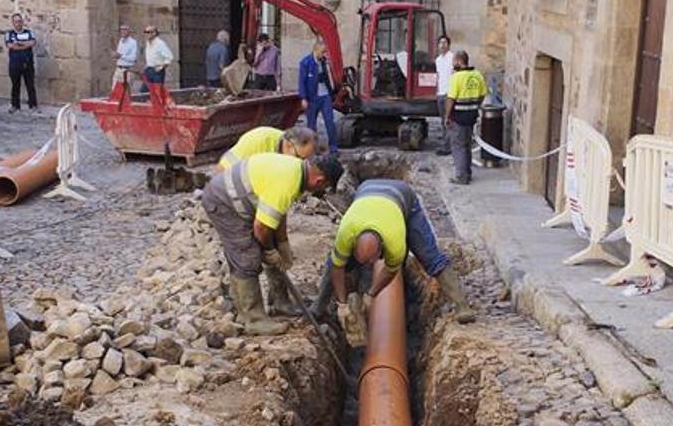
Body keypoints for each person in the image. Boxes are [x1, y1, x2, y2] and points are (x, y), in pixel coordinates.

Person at [202, 153, 344, 334]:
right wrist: (269, 250)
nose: (320, 192)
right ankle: (253, 320)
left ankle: (280, 303)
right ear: (320, 181)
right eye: (324, 188)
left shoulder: (298, 172)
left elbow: (278, 213)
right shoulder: (288, 181)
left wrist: (282, 242)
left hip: (238, 198)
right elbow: (261, 227)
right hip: (223, 202)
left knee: (268, 246)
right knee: (247, 256)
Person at [313, 179, 475, 332]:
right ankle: (318, 309)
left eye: (372, 261)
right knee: (333, 261)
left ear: (380, 250)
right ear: (353, 244)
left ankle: (462, 306)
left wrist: (371, 294)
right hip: (366, 193)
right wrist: (342, 304)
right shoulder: (346, 232)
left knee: (430, 257)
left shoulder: (394, 239)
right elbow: (337, 266)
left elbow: (390, 270)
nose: (369, 265)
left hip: (403, 197)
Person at [444, 50, 487, 185]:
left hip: (458, 117)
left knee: (458, 146)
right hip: (471, 115)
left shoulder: (457, 77)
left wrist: (447, 116)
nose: (453, 64)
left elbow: (451, 99)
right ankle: (467, 172)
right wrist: (475, 105)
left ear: (459, 61)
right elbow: (482, 94)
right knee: (467, 145)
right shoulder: (477, 75)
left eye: (453, 61)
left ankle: (461, 176)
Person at [298, 38, 338, 154]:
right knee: (311, 124)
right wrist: (303, 98)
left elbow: (328, 77)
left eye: (325, 52)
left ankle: (333, 147)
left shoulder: (324, 62)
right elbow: (302, 81)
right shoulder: (305, 63)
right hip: (312, 97)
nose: (324, 54)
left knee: (330, 121)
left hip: (325, 96)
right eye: (323, 52)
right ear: (316, 50)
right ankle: (312, 148)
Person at [217, 126, 318, 171]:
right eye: (299, 157)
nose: (300, 162)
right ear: (288, 145)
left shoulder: (286, 146)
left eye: (304, 160)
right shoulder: (260, 141)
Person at [5, 13, 37, 113]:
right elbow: (10, 45)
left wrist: (19, 43)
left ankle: (33, 105)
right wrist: (25, 45)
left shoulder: (29, 32)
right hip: (14, 64)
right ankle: (15, 105)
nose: (18, 23)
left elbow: (32, 43)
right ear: (13, 23)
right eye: (16, 21)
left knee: (30, 85)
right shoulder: (9, 34)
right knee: (15, 85)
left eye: (19, 21)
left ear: (22, 22)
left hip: (28, 63)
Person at [434, 35, 454, 156]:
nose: (442, 45)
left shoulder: (452, 57)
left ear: (448, 44)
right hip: (441, 93)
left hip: (449, 93)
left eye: (445, 42)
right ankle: (445, 143)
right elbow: (438, 75)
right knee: (443, 120)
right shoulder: (438, 60)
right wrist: (437, 90)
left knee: (448, 120)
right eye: (440, 43)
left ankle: (448, 147)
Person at [141, 26, 173, 93]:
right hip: (148, 70)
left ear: (154, 33)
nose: (146, 34)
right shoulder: (148, 43)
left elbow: (169, 57)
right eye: (145, 32)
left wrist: (161, 67)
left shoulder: (160, 44)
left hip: (157, 72)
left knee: (157, 93)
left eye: (148, 32)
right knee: (144, 92)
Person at [111, 24, 138, 91]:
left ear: (129, 31)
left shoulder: (133, 42)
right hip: (118, 69)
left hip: (127, 70)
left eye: (125, 30)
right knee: (115, 90)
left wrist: (121, 56)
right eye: (121, 30)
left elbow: (133, 58)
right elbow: (119, 55)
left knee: (126, 91)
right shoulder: (121, 41)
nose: (123, 32)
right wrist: (115, 56)